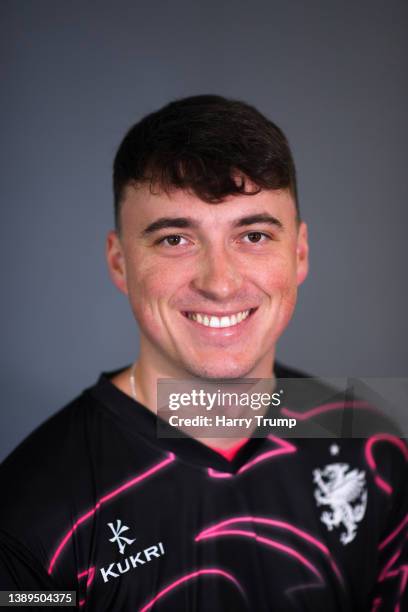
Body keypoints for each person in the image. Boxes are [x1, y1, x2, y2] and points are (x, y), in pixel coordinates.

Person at [0, 95, 406, 611]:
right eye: (175, 240)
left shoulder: (374, 446)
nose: (220, 282)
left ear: (299, 253)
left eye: (254, 235)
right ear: (120, 262)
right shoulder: (29, 514)